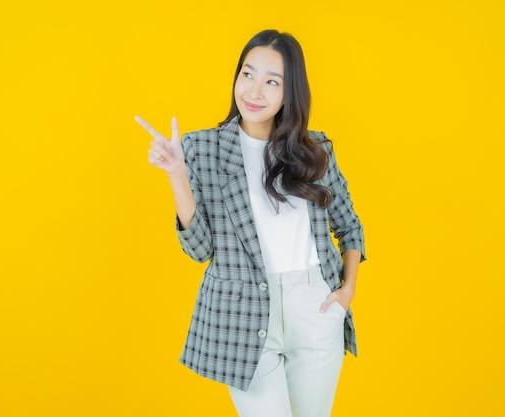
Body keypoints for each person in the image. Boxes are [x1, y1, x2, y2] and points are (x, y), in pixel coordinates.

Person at [135, 29, 365, 417]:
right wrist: (176, 173)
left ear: (290, 92)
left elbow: (349, 225)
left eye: (271, 81)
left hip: (315, 305)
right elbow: (200, 249)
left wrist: (347, 292)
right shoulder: (201, 148)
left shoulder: (316, 150)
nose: (254, 91)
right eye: (247, 74)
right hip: (243, 314)